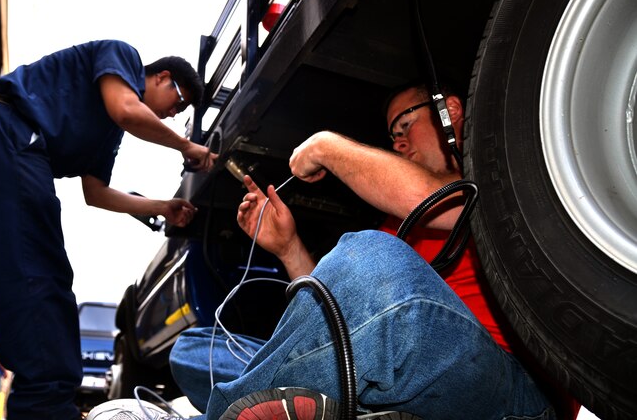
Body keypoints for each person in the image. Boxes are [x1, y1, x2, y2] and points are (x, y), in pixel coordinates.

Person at [169, 81, 578, 419]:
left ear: (450, 110)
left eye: (405, 124)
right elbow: (340, 311)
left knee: (370, 256)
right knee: (194, 349)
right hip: (393, 378)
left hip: (507, 389)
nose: (398, 142)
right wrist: (289, 247)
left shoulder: (498, 173)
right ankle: (336, 406)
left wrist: (327, 145)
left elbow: (434, 203)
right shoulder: (396, 229)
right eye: (392, 135)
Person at [0, 39, 217, 420]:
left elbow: (95, 193)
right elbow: (126, 109)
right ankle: (47, 407)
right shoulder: (123, 56)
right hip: (9, 134)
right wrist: (186, 147)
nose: (173, 114)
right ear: (162, 76)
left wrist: (160, 208)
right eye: (179, 102)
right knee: (42, 283)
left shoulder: (107, 134)